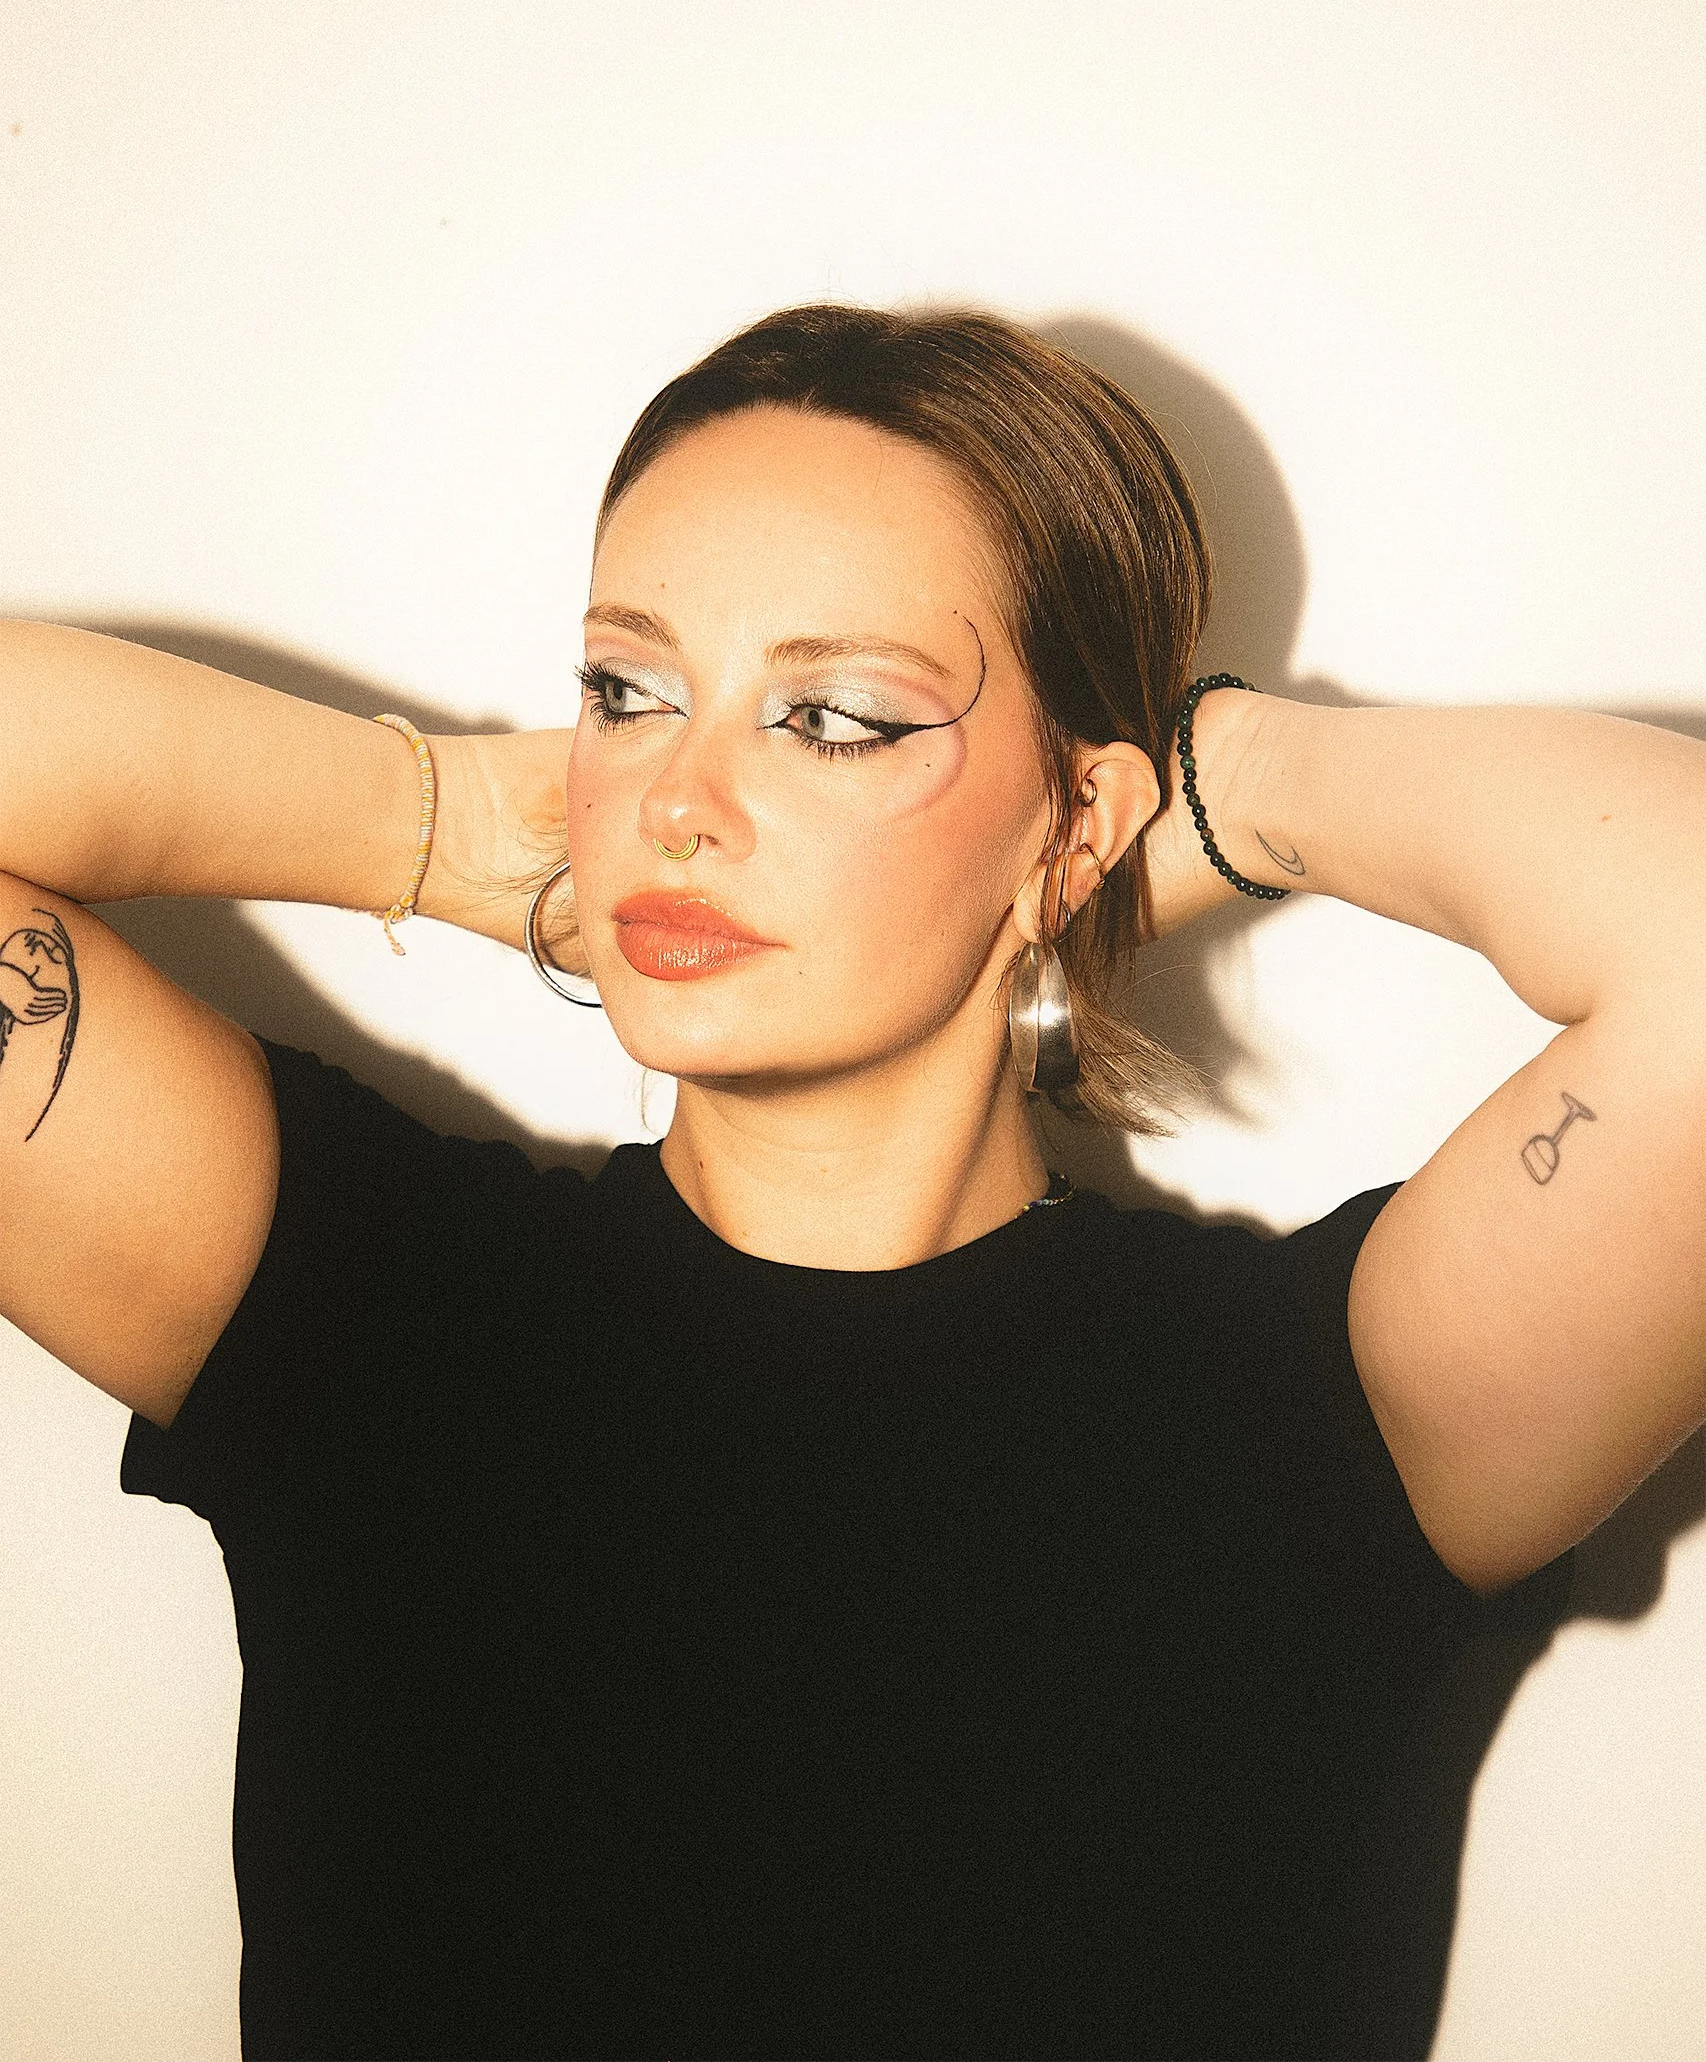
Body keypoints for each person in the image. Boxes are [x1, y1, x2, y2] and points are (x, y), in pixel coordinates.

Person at [1, 303, 1702, 2062]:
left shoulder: (1323, 1415)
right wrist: (428, 819)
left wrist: (1225, 792)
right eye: (626, 691)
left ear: (1076, 819)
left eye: (829, 714)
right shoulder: (365, 1310)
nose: (675, 801)